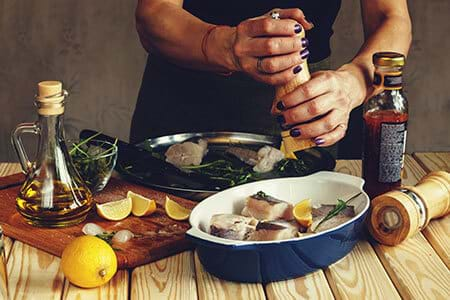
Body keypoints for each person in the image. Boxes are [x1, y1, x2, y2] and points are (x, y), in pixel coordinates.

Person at [131, 0, 411, 158]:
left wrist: (354, 83)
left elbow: (391, 18)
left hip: (307, 111)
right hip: (182, 112)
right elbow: (153, 15)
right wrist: (225, 45)